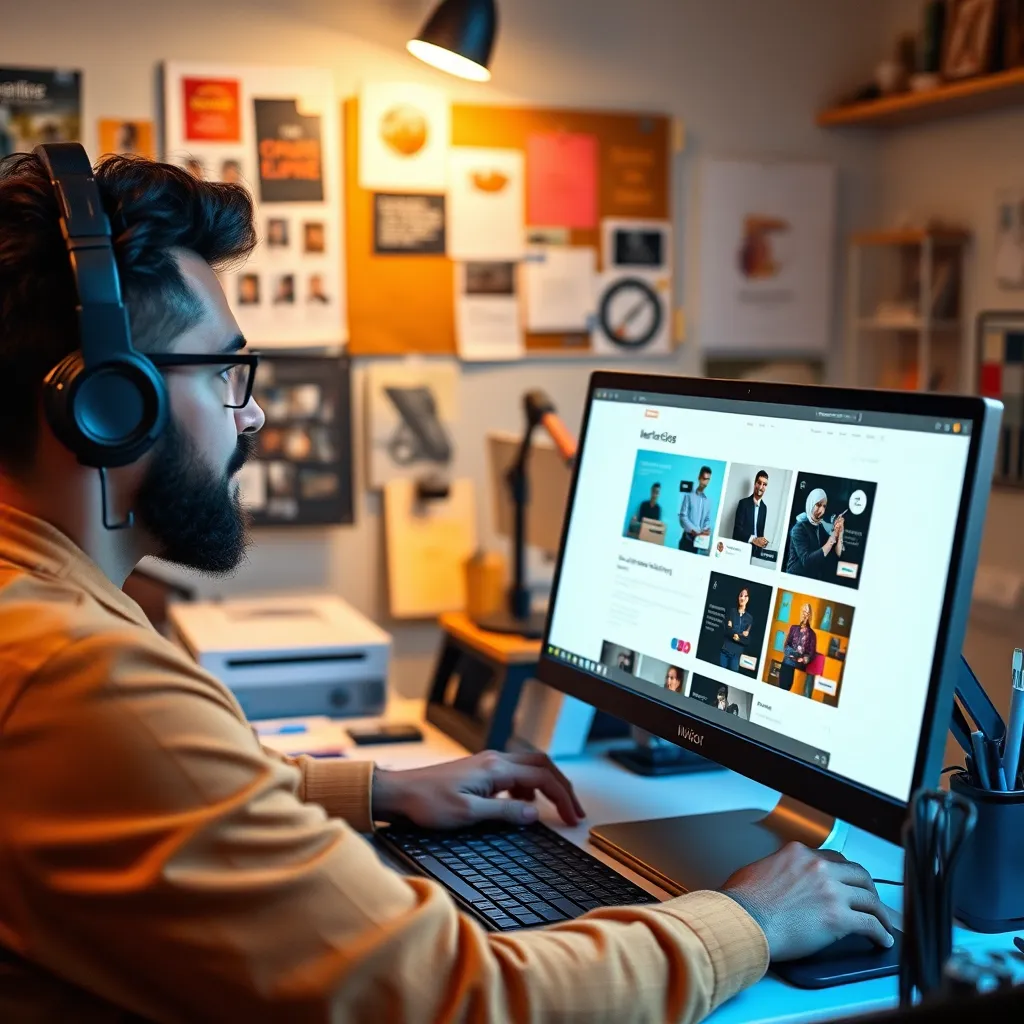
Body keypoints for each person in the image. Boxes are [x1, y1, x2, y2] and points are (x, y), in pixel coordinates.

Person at [0, 150, 895, 1023]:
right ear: (111, 403)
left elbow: (170, 792)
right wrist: (748, 922)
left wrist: (379, 791)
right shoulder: (84, 676)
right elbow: (468, 997)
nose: (254, 412)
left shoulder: (41, 621)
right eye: (227, 372)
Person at [786, 487, 845, 581]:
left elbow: (837, 553)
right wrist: (832, 538)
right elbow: (807, 561)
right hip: (795, 580)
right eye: (818, 505)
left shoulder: (819, 527)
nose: (821, 510)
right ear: (811, 503)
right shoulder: (798, 529)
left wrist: (840, 532)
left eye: (824, 506)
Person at [779, 602, 818, 698]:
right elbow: (786, 645)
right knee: (781, 690)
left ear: (810, 616)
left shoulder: (812, 634)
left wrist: (804, 659)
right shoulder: (793, 628)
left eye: (807, 613)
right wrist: (792, 654)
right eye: (803, 611)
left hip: (799, 668)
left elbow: (811, 653)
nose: (805, 614)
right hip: (787, 664)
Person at [679, 465, 713, 554]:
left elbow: (707, 519)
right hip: (686, 541)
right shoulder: (688, 495)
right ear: (699, 478)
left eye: (707, 479)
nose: (705, 483)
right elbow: (683, 516)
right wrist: (694, 530)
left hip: (697, 543)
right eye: (703, 479)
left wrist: (706, 529)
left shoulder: (707, 501)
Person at [719, 586, 753, 672]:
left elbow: (747, 640)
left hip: (736, 655)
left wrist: (738, 638)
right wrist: (740, 634)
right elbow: (727, 630)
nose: (742, 598)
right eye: (741, 595)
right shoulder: (732, 612)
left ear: (748, 599)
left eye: (745, 596)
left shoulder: (749, 618)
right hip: (725, 650)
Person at [733, 469, 770, 547]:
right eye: (759, 483)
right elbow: (736, 532)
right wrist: (754, 540)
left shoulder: (764, 508)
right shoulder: (743, 503)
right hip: (742, 548)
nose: (761, 487)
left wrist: (763, 543)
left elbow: (760, 533)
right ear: (755, 483)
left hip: (756, 551)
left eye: (764, 484)